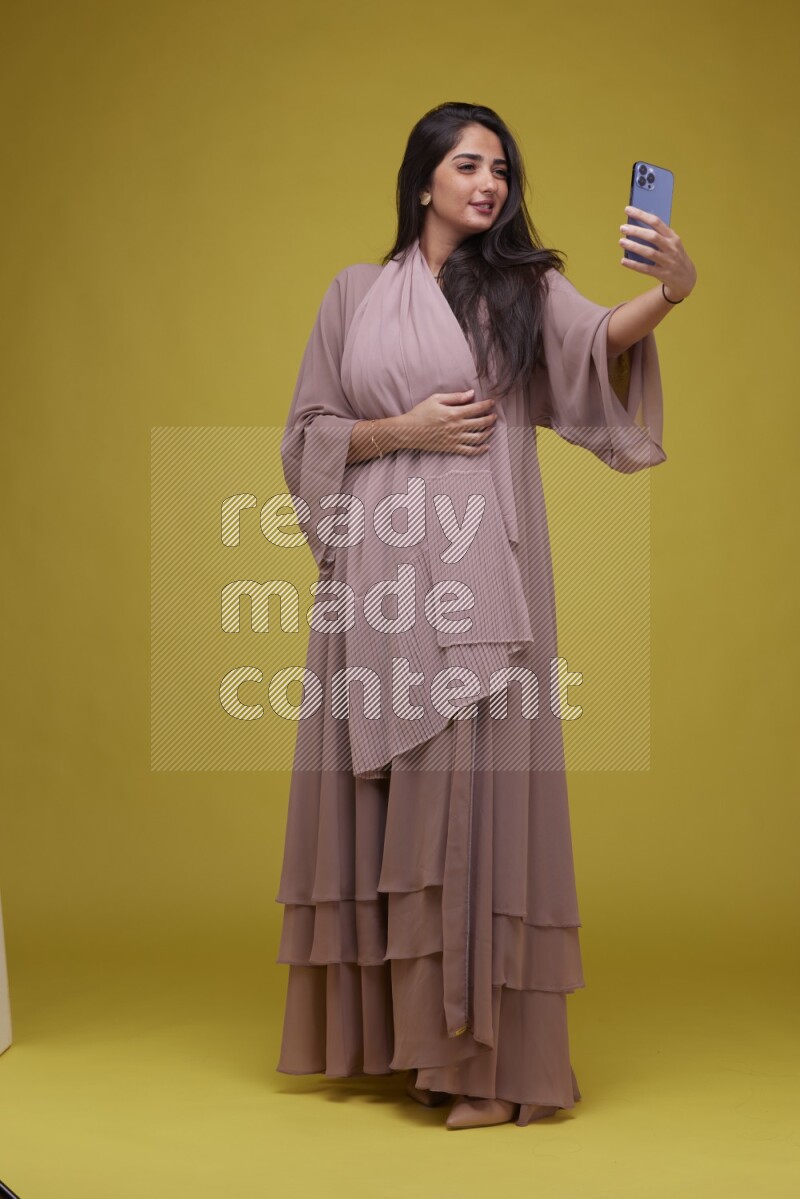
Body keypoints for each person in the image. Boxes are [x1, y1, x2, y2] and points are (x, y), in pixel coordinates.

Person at [274, 102, 696, 1130]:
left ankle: (485, 1063)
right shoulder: (354, 294)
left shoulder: (522, 287)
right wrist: (402, 428)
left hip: (482, 582)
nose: (489, 183)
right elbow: (308, 436)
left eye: (500, 169)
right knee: (395, 802)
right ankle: (411, 1047)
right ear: (423, 180)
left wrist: (668, 294)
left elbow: (594, 346)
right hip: (376, 578)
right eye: (468, 165)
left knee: (469, 804)